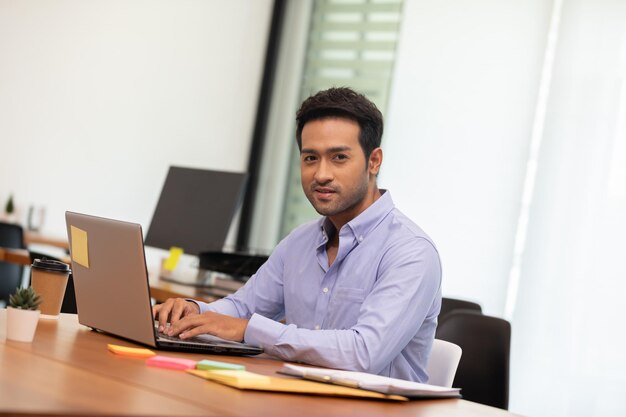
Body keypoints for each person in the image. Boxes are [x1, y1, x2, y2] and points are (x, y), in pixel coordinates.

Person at [154, 87, 442, 383]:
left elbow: (363, 353)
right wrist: (194, 312)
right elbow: (243, 307)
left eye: (339, 157)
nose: (321, 174)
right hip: (296, 397)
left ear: (374, 161)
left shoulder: (411, 252)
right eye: (310, 158)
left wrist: (249, 329)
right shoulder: (300, 241)